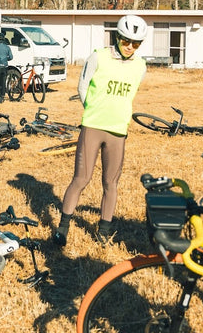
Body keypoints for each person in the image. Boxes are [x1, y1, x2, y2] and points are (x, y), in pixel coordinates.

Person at [52, 14, 147, 247]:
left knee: (111, 183)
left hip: (118, 130)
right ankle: (63, 228)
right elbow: (82, 85)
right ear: (118, 37)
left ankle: (103, 231)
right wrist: (92, 110)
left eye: (136, 43)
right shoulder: (98, 57)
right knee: (81, 178)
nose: (130, 47)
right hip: (93, 126)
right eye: (126, 41)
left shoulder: (141, 65)